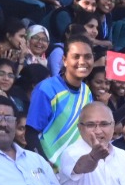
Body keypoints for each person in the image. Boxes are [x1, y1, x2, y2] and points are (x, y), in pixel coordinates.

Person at [23, 35, 91, 171]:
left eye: (88, 57)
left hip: (76, 171)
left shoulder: (86, 91)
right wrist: (45, 164)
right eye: (76, 56)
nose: (82, 62)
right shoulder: (46, 89)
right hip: (51, 173)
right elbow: (30, 134)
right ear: (64, 60)